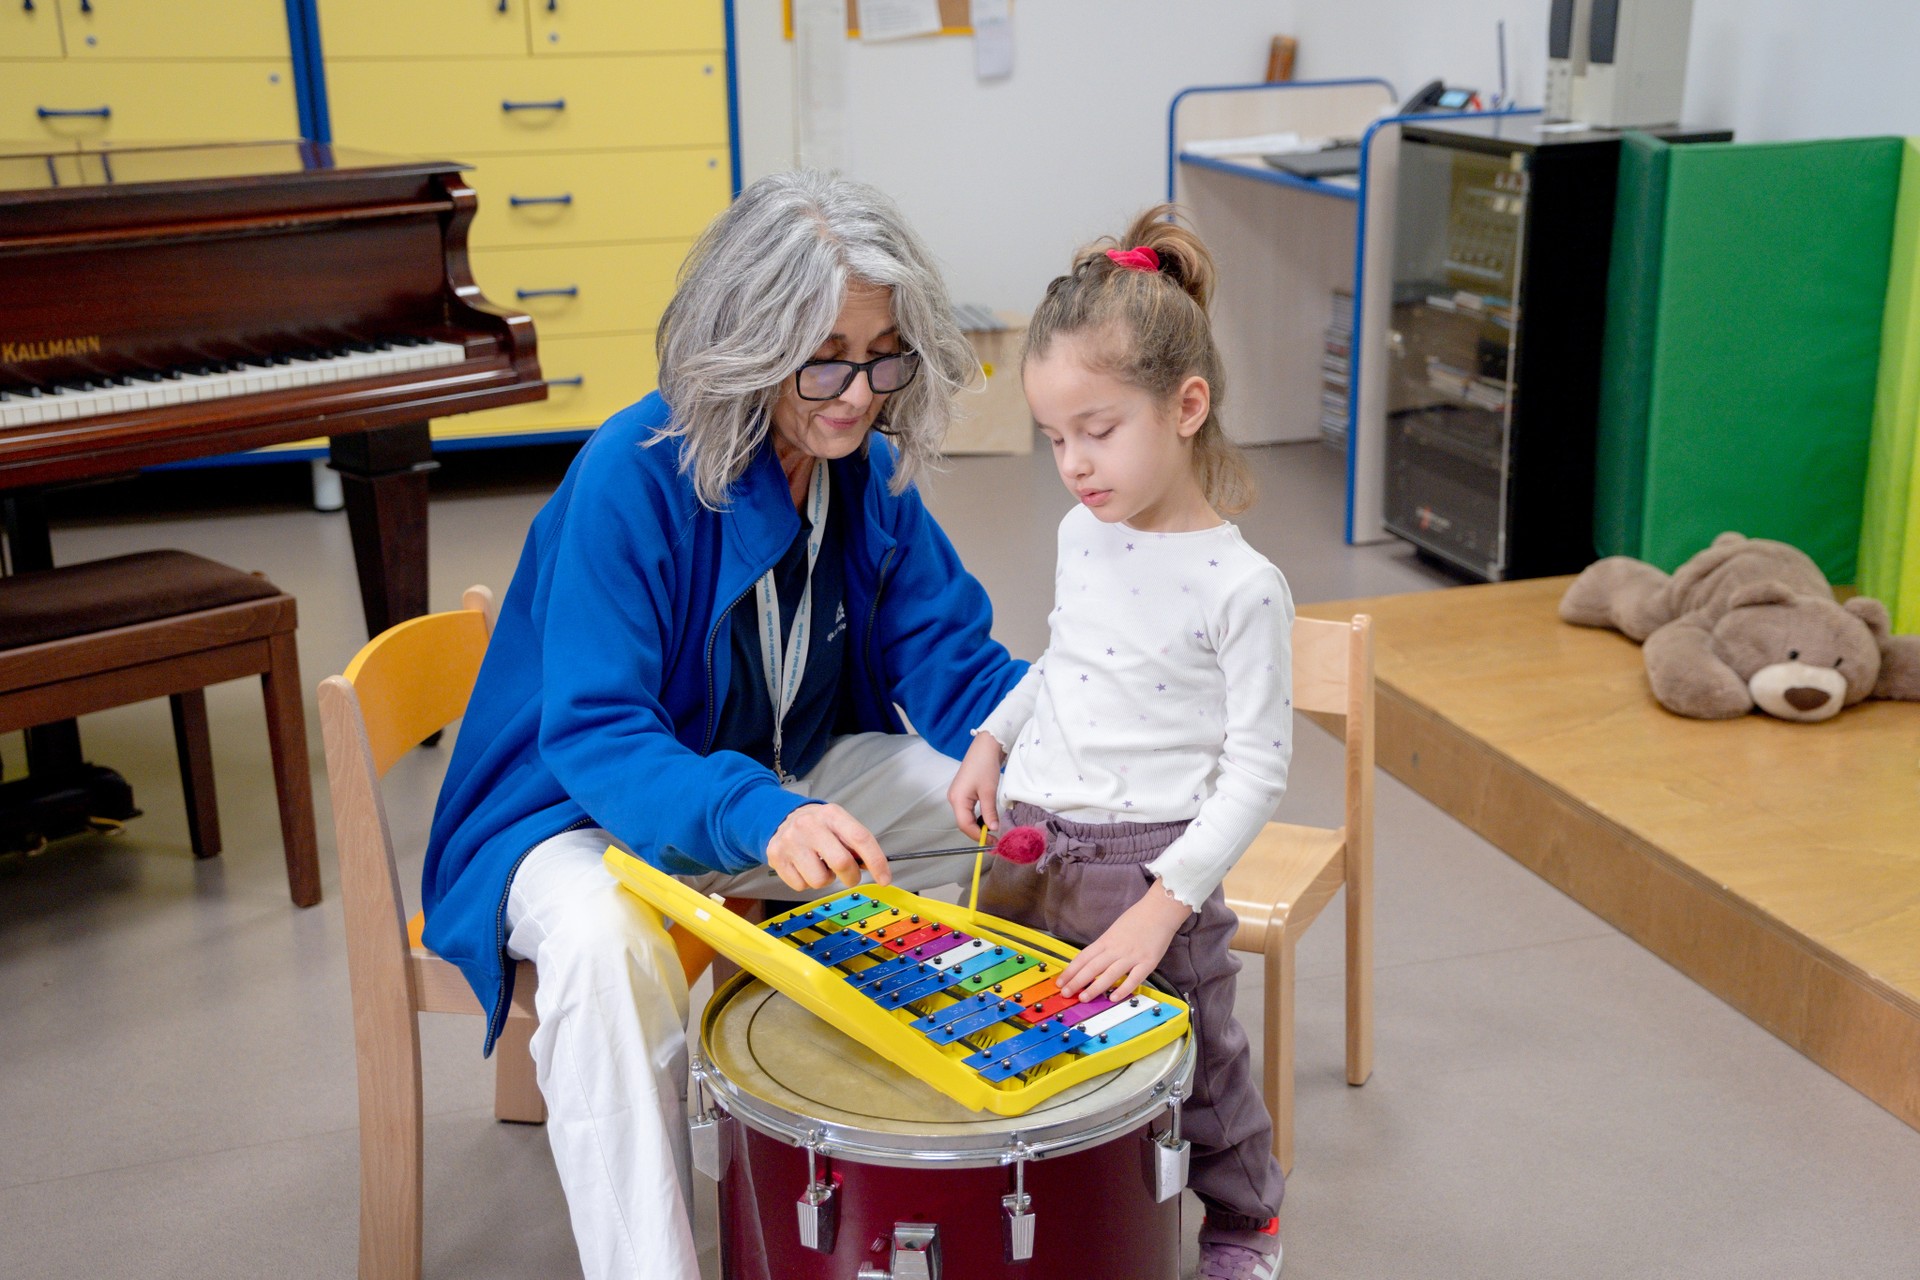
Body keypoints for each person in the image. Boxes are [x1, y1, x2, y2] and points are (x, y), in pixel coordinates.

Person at [422, 171, 1027, 1280]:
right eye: (824, 359)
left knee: (997, 813)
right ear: (747, 340)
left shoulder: (863, 471)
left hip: (766, 777)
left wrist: (1072, 726)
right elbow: (600, 732)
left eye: (884, 357)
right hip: (574, 810)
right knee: (606, 947)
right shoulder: (631, 471)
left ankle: (882, 1144)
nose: (857, 394)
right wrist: (761, 813)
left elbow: (953, 661)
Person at [948, 206, 1293, 1280]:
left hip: (1143, 867)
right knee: (1013, 1024)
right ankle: (1058, 1197)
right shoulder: (1081, 531)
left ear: (1186, 406)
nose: (1073, 464)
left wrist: (1165, 901)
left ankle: (1245, 1220)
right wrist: (990, 739)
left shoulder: (1242, 586)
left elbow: (1258, 773)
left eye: (1097, 430)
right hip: (1028, 839)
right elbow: (1062, 661)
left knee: (1197, 1063)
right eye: (1055, 438)